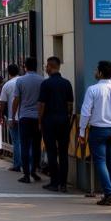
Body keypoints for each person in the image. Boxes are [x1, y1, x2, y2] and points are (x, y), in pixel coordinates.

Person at [78, 60, 111, 206]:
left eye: (96, 70)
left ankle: (109, 192)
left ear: (100, 73)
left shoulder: (92, 90)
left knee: (100, 161)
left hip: (98, 130)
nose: (94, 72)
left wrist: (81, 131)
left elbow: (86, 112)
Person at [38, 56, 74, 192]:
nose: (46, 68)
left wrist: (40, 121)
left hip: (49, 121)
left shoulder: (46, 84)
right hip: (64, 120)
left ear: (50, 66)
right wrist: (68, 117)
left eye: (46, 66)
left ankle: (54, 182)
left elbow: (41, 104)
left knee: (52, 152)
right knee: (63, 153)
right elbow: (70, 104)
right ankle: (64, 184)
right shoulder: (67, 83)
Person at [12, 56, 45, 184]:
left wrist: (12, 116)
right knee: (36, 145)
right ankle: (34, 171)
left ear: (25, 66)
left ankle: (26, 174)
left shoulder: (20, 81)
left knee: (24, 145)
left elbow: (16, 100)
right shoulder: (42, 81)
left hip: (24, 117)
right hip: (38, 118)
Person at [0, 63, 22, 172]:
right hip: (25, 116)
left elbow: (2, 102)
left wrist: (0, 116)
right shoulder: (23, 81)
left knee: (16, 142)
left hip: (12, 118)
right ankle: (29, 165)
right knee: (26, 142)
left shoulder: (7, 85)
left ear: (9, 73)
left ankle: (17, 164)